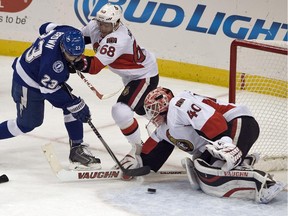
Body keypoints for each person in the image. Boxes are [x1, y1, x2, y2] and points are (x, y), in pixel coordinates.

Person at [140, 86, 285, 203]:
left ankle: (264, 184)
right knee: (204, 169)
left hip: (237, 122)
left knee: (215, 174)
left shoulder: (178, 104)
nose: (153, 117)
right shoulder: (166, 126)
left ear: (163, 104)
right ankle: (244, 161)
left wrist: (225, 142)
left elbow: (209, 118)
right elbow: (151, 147)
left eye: (154, 110)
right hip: (224, 133)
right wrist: (136, 162)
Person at [0, 22, 101, 170]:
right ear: (62, 48)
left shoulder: (68, 31)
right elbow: (49, 91)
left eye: (78, 55)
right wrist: (76, 105)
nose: (76, 59)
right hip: (27, 81)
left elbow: (45, 27)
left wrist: (73, 104)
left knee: (72, 105)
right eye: (71, 56)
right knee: (27, 124)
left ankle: (77, 150)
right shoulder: (53, 65)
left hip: (40, 73)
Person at [72, 3, 159, 171]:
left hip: (143, 75)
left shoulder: (119, 38)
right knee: (144, 110)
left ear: (117, 23)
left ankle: (137, 149)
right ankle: (172, 128)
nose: (102, 27)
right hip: (130, 76)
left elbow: (94, 66)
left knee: (121, 111)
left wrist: (75, 61)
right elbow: (77, 38)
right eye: (100, 23)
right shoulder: (95, 25)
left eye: (107, 24)